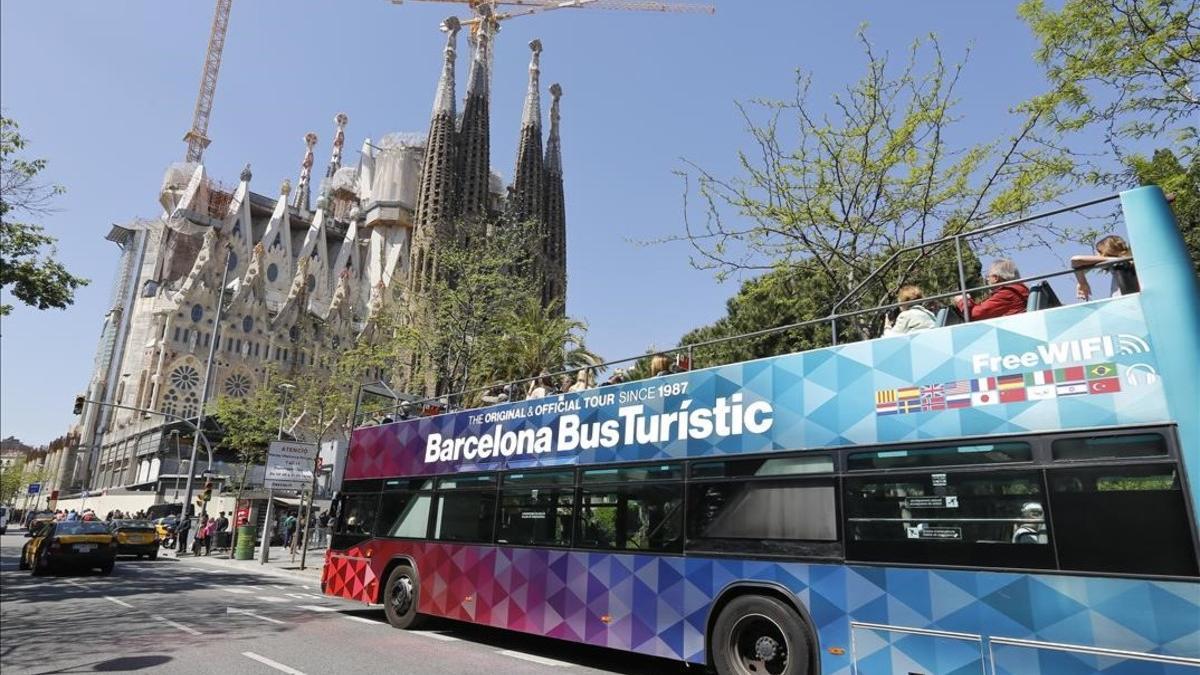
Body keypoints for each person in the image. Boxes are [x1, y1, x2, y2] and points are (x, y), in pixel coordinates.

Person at [1071, 234, 1139, 301]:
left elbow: (1075, 260)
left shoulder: (1122, 263)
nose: (1096, 256)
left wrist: (1083, 283)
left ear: (1105, 252)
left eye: (1098, 252)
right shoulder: (1117, 262)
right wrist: (1081, 282)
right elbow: (1079, 266)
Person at [956, 259, 1028, 320]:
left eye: (988, 276)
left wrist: (963, 300)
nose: (987, 279)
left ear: (996, 278)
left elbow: (975, 315)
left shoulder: (1008, 293)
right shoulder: (1019, 290)